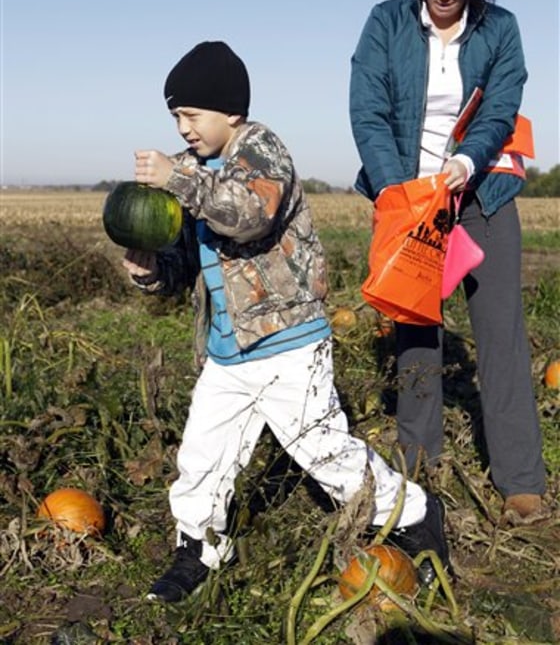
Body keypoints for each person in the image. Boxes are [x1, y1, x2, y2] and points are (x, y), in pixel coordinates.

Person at [121, 40, 450, 603]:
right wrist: (150, 270)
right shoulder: (198, 173)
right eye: (175, 116)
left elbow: (247, 215)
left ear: (231, 112)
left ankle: (416, 514)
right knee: (201, 458)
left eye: (190, 115)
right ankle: (199, 548)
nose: (182, 129)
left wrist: (178, 180)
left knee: (326, 455)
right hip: (228, 355)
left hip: (289, 349)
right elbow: (183, 262)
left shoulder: (261, 152)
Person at [349, 0, 547, 526]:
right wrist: (399, 193)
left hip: (482, 193)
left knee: (501, 336)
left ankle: (520, 479)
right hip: (411, 197)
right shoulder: (387, 21)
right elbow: (368, 110)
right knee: (416, 332)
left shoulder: (501, 30)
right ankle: (418, 467)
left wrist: (465, 162)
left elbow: (503, 108)